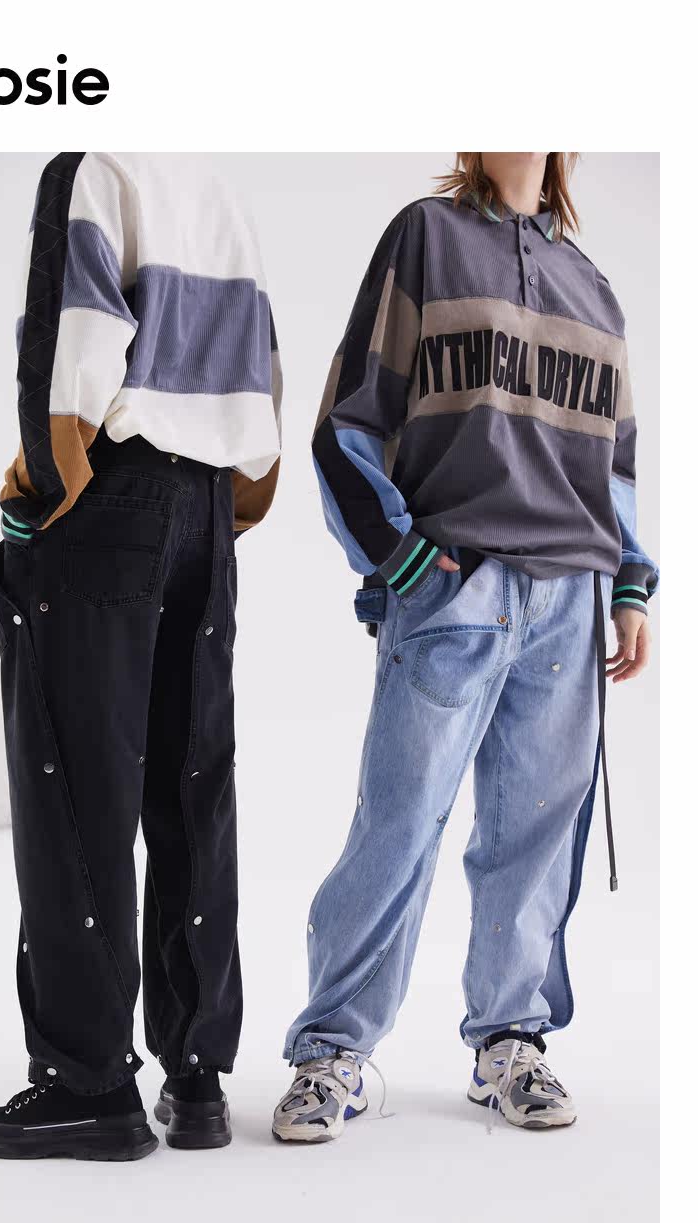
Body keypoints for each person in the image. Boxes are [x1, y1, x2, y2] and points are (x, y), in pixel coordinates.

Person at [272, 152, 656, 1142]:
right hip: (456, 585)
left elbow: (614, 464)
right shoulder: (426, 237)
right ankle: (332, 1048)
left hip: (569, 598)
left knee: (535, 832)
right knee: (399, 821)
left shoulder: (594, 288)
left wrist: (629, 582)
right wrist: (395, 553)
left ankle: (510, 1039)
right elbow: (348, 415)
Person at [0, 152, 282, 1160]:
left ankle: (86, 1081)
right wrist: (216, 511)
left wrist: (38, 492)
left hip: (110, 494)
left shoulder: (94, 164)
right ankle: (197, 1075)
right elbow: (260, 365)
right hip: (209, 508)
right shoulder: (218, 185)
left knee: (75, 787)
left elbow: (76, 340)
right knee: (192, 790)